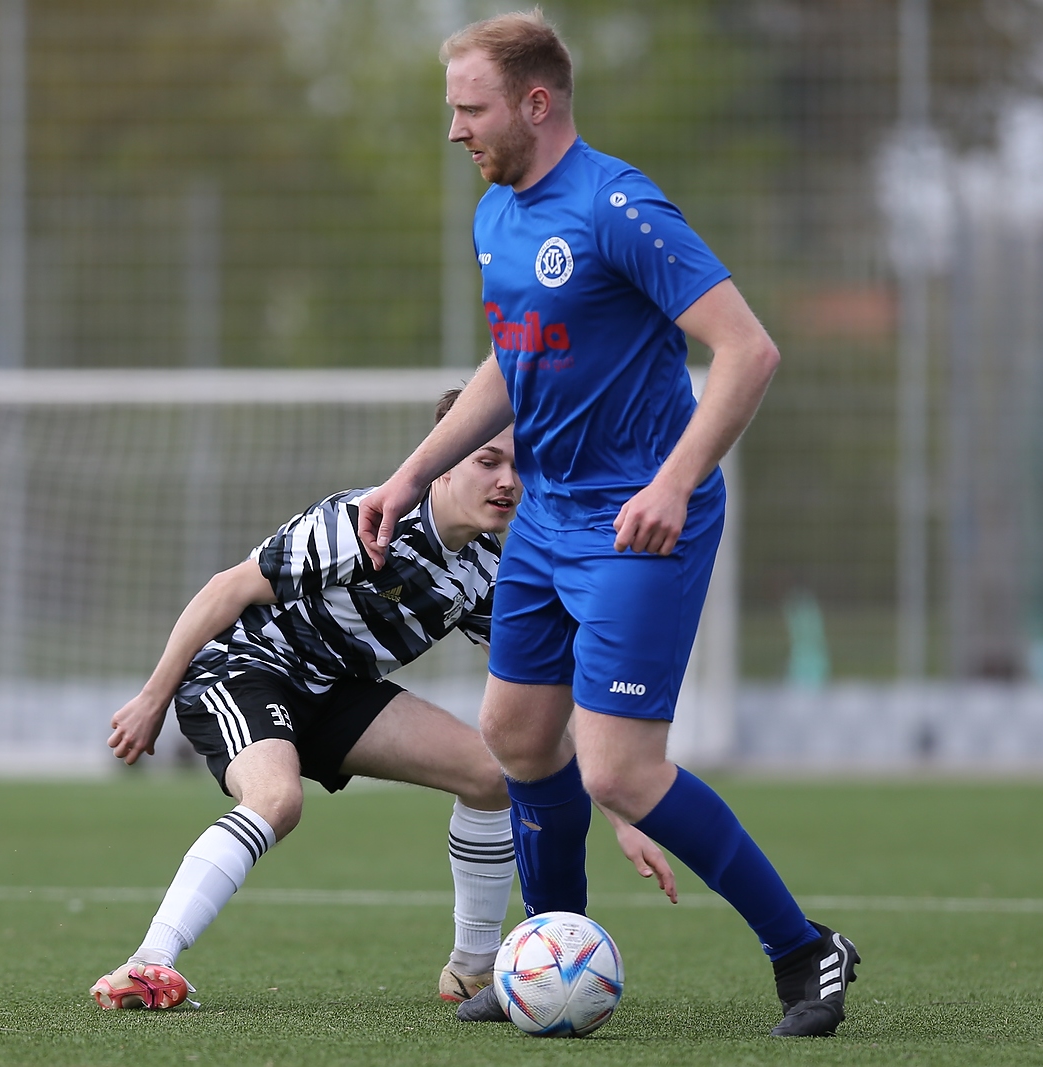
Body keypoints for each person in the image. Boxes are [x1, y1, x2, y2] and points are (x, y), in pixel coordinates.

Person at [356, 11, 860, 1038]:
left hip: (641, 523)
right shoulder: (497, 216)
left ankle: (806, 947)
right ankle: (551, 953)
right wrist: (414, 471)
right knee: (515, 736)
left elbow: (747, 349)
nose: (454, 130)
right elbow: (515, 359)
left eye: (471, 108)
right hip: (549, 514)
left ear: (536, 104)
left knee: (620, 765)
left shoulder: (617, 205)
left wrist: (675, 481)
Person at [91, 389, 676, 1012]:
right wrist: (152, 697)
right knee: (277, 800)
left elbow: (545, 708)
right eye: (487, 460)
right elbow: (226, 588)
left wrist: (618, 809)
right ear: (444, 458)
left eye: (521, 464)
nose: (508, 481)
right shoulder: (361, 523)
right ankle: (149, 963)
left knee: (490, 774)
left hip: (339, 692)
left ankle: (473, 973)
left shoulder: (488, 571)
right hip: (246, 669)